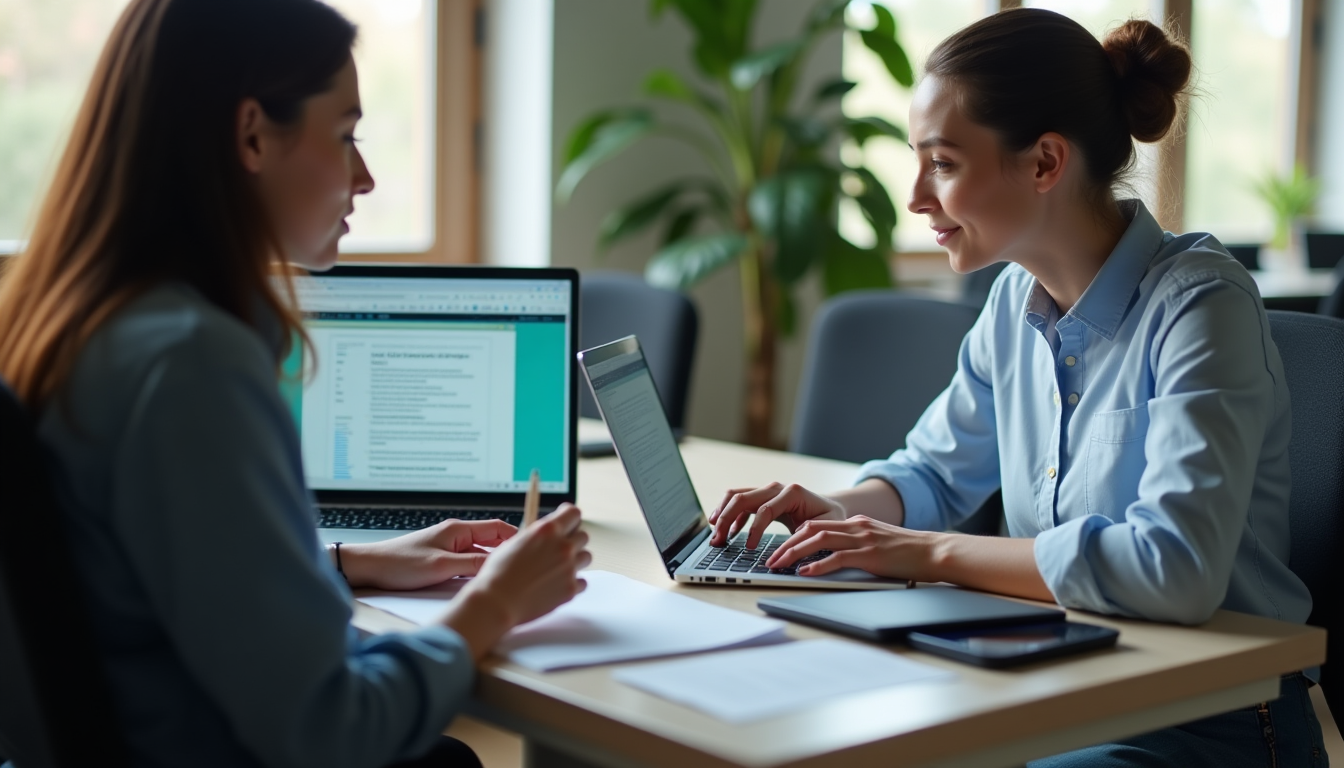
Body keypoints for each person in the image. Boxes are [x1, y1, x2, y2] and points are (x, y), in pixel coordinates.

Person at [708, 9, 1327, 767]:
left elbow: (1175, 570)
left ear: (1043, 163)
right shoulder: (1011, 302)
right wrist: (836, 516)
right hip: (1051, 688)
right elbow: (933, 473)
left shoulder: (1201, 308)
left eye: (942, 163)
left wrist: (927, 553)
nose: (914, 196)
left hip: (1207, 723)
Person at [0, 1, 590, 766]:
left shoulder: (63, 322)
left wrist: (344, 562)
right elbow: (333, 728)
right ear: (251, 135)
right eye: (346, 135)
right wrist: (496, 602)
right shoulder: (194, 367)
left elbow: (144, 580)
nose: (367, 176)